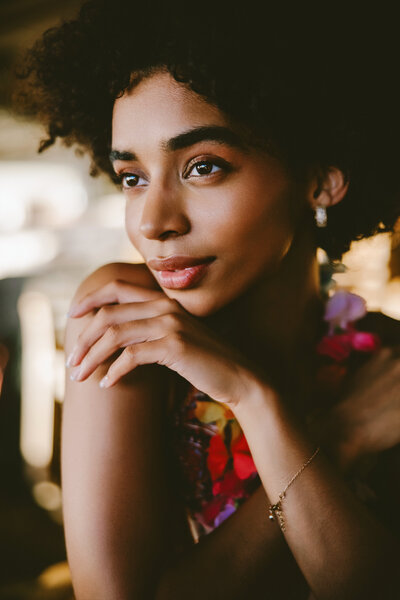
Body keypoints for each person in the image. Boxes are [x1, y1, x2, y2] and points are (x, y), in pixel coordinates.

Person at [17, 1, 400, 598]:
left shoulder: (383, 359)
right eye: (133, 177)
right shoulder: (127, 319)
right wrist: (337, 436)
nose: (153, 222)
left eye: (202, 166)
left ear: (321, 178)